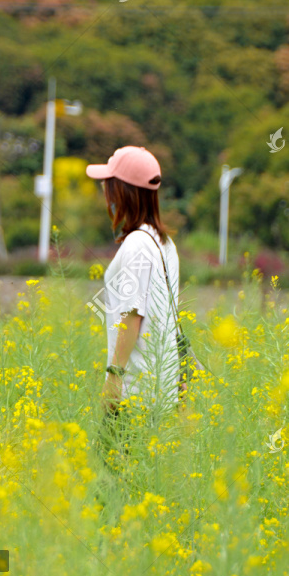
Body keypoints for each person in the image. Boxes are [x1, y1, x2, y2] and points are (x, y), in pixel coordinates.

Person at [85, 146, 184, 429]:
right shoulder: (163, 243)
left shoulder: (137, 245)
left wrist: (114, 378)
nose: (105, 190)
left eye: (109, 183)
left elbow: (132, 315)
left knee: (114, 470)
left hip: (134, 396)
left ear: (121, 191)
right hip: (160, 392)